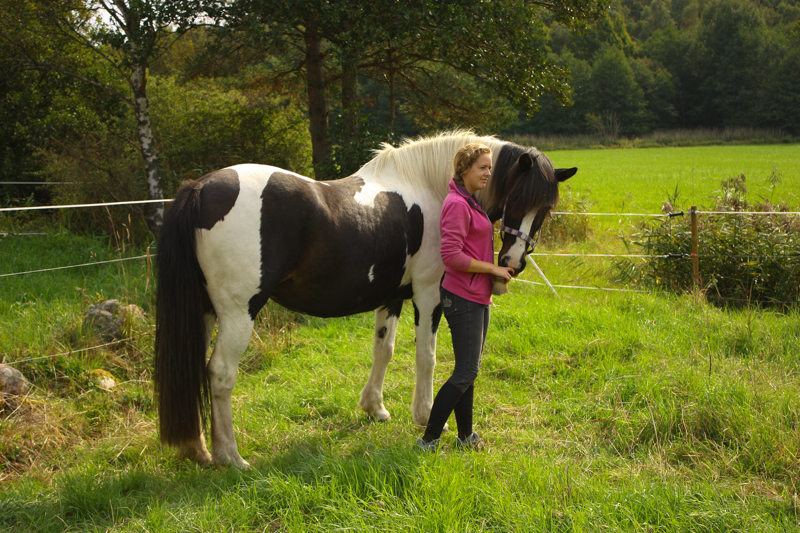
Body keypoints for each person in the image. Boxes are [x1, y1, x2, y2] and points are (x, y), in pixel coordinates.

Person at [416, 143, 514, 451]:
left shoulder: (471, 201)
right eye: (482, 167)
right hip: (462, 296)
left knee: (468, 370)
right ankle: (428, 440)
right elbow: (451, 255)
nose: (488, 173)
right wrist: (492, 268)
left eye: (490, 168)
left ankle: (465, 436)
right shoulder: (457, 204)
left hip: (477, 295)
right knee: (466, 371)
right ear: (464, 169)